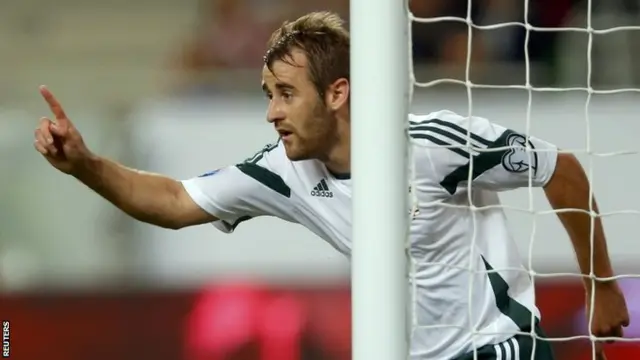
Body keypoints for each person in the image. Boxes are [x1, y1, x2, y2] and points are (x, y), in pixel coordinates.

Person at [33, 11, 629, 360]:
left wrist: (600, 284)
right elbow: (170, 201)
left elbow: (562, 169)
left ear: (337, 93)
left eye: (286, 95)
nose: (272, 113)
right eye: (269, 96)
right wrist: (85, 163)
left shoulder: (432, 144)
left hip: (499, 347)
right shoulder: (283, 170)